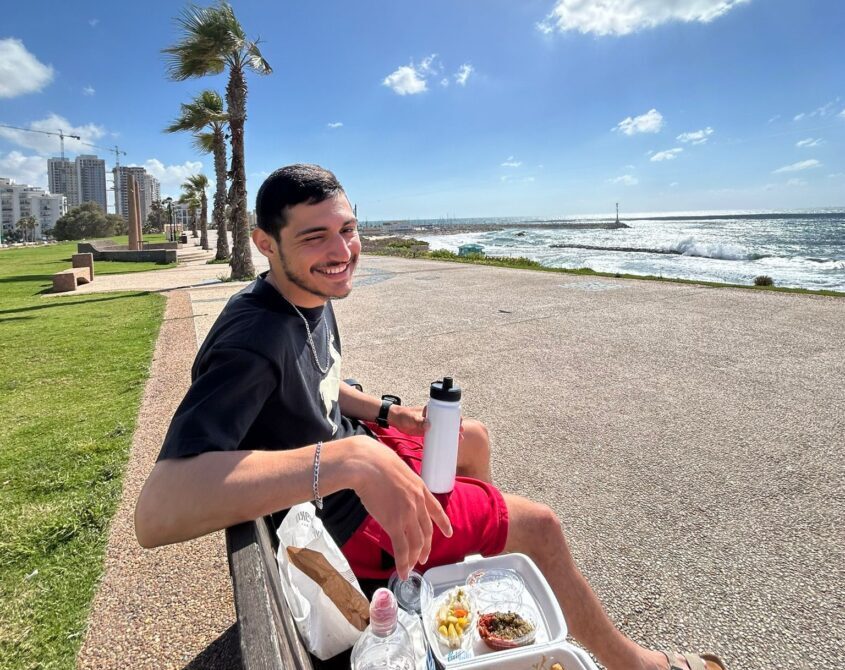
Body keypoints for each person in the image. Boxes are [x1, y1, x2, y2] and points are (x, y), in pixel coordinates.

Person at [135, 164, 725, 670]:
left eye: (348, 229)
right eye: (315, 237)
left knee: (469, 437)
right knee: (540, 526)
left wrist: (392, 413)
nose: (341, 253)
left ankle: (467, 555)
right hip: (342, 521)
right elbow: (157, 511)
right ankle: (639, 663)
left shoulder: (304, 295)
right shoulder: (252, 339)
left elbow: (323, 383)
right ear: (266, 242)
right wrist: (350, 458)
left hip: (354, 461)